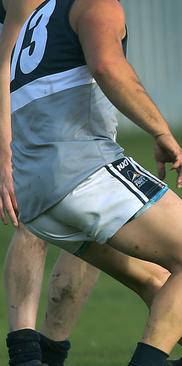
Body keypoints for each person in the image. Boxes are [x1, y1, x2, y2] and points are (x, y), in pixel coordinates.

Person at [0, 0, 182, 365]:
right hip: (82, 170)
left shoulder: (36, 13)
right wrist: (160, 130)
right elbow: (107, 66)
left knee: (155, 279)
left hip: (36, 194)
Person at [0, 2, 102, 365]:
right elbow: (6, 57)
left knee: (93, 222)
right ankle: (25, 352)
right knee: (34, 220)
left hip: (73, 101)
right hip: (28, 100)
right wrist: (5, 147)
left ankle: (51, 351)